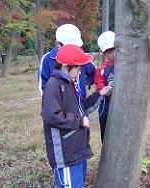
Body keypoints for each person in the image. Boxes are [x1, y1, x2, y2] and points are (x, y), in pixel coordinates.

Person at [41, 44, 112, 188]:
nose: (80, 73)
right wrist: (80, 121)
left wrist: (100, 94)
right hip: (66, 154)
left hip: (76, 150)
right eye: (78, 68)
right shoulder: (54, 85)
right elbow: (52, 116)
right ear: (66, 67)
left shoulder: (69, 84)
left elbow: (82, 106)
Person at [38, 24, 95, 97]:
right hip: (60, 106)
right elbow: (43, 85)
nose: (73, 49)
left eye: (76, 46)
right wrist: (52, 102)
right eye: (69, 46)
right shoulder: (48, 59)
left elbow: (92, 72)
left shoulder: (79, 56)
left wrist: (86, 84)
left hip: (80, 104)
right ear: (58, 44)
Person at [94, 31, 115, 143]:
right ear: (104, 53)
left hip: (124, 105)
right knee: (107, 137)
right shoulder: (101, 70)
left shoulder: (127, 65)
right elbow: (99, 90)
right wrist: (107, 90)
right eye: (108, 51)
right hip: (107, 106)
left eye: (114, 48)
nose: (112, 53)